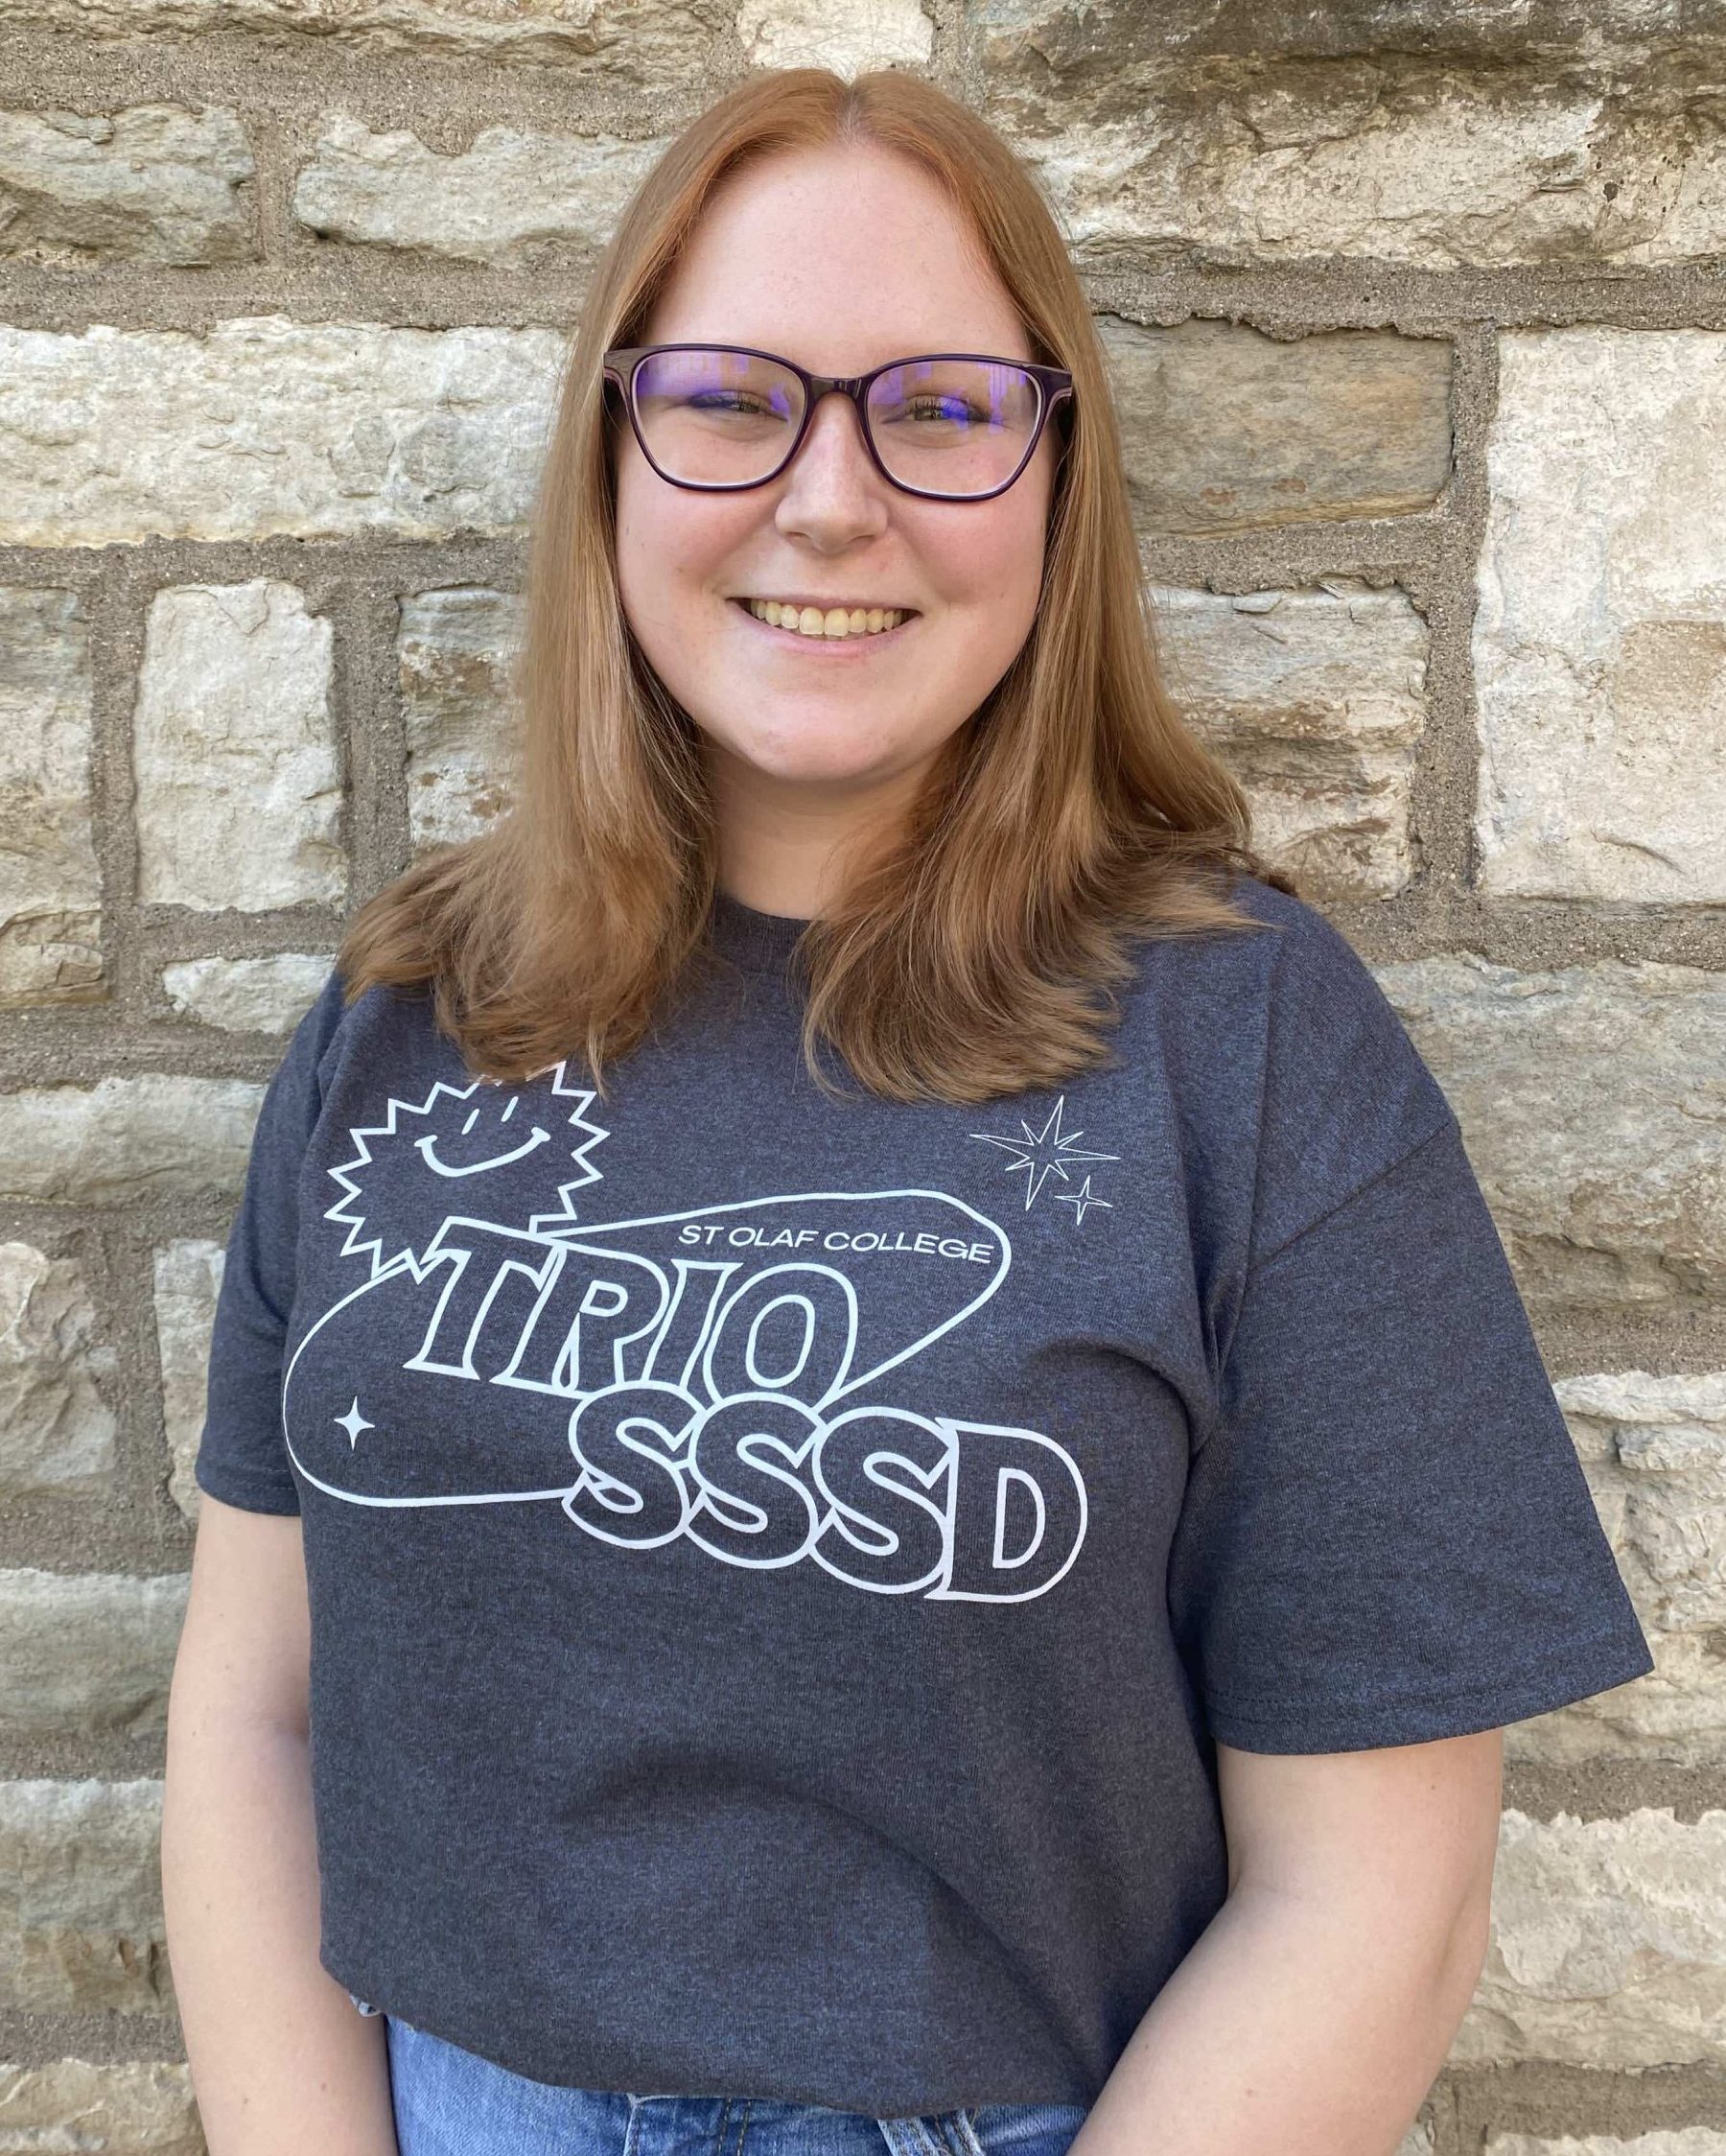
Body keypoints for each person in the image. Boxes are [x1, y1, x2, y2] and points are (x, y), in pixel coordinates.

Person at [160, 62, 1654, 2156]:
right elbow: (255, 1707)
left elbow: (1378, 1887)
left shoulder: (1247, 1049)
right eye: (729, 397)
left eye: (940, 409)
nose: (830, 496)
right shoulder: (416, 1019)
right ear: (615, 456)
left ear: (1055, 474)